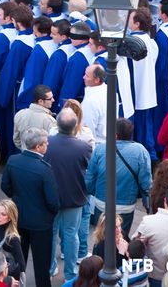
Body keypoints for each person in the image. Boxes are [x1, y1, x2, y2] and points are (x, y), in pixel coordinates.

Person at [0, 128, 59, 287]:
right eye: (46, 143)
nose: (47, 145)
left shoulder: (13, 161)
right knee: (41, 264)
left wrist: (17, 199)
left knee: (18, 260)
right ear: (38, 147)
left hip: (18, 219)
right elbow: (53, 201)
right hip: (41, 224)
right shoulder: (44, 169)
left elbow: (5, 186)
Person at [44, 108, 93, 282]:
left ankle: (50, 268)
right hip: (75, 197)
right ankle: (70, 274)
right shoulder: (84, 147)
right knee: (72, 235)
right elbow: (89, 171)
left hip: (50, 198)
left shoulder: (46, 143)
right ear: (75, 126)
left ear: (57, 124)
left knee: (51, 233)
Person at [86, 118, 152, 236]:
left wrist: (91, 192)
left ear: (115, 134)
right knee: (121, 238)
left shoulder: (100, 149)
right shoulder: (140, 151)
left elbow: (90, 177)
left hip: (102, 202)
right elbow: (146, 182)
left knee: (100, 237)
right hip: (126, 205)